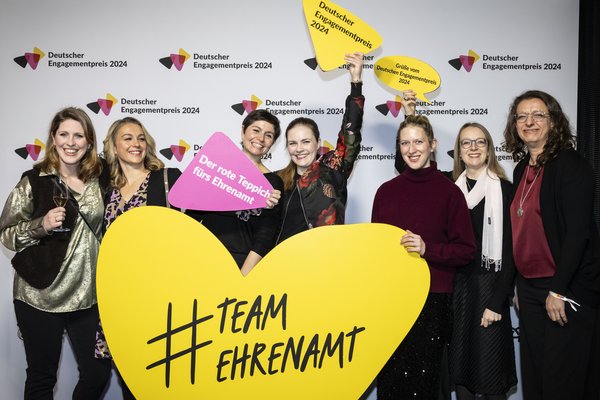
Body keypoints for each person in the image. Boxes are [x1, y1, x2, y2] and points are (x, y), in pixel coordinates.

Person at [397, 92, 517, 399]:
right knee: (460, 373)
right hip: (457, 290)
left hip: (489, 290)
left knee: (491, 373)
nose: (473, 148)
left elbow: (511, 251)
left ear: (489, 149)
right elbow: (414, 160)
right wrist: (411, 114)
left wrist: (498, 302)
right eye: (466, 143)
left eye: (480, 142)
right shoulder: (449, 188)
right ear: (458, 151)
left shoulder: (505, 190)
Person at [0, 107, 111, 399]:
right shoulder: (34, 180)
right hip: (39, 295)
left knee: (97, 374)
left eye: (79, 136)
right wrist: (41, 225)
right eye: (64, 134)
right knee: (42, 377)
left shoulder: (101, 177)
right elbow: (6, 234)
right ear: (53, 138)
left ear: (89, 141)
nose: (70, 142)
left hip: (88, 297)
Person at [503, 90, 600, 400]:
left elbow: (578, 235)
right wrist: (519, 286)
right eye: (521, 116)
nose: (529, 121)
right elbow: (520, 232)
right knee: (535, 380)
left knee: (562, 385)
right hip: (530, 290)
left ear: (554, 121)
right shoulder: (521, 169)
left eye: (538, 115)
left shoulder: (571, 165)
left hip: (564, 288)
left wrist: (558, 290)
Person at [372, 114, 477, 399]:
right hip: (392, 301)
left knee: (428, 384)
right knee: (392, 382)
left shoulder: (450, 193)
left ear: (433, 144)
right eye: (405, 143)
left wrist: (427, 248)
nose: (412, 149)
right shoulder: (385, 192)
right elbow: (376, 252)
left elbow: (466, 250)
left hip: (433, 302)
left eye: (418, 142)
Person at [96, 116, 183, 399]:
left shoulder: (167, 178)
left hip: (158, 295)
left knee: (159, 379)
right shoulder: (105, 190)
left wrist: (259, 198)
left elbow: (203, 215)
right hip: (117, 297)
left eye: (141, 138)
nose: (136, 144)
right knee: (128, 379)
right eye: (128, 138)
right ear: (114, 147)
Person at [276, 52, 364, 243]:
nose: (299, 148)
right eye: (293, 143)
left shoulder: (333, 168)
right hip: (283, 258)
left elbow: (350, 133)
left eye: (306, 141)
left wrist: (355, 83)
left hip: (325, 256)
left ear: (318, 143)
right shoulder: (278, 181)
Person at [190, 109, 283, 276]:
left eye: (268, 135)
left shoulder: (272, 184)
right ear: (243, 131)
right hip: (204, 259)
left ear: (272, 143)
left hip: (243, 264)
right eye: (256, 130)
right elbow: (192, 218)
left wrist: (242, 277)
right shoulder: (215, 169)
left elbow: (265, 236)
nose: (261, 138)